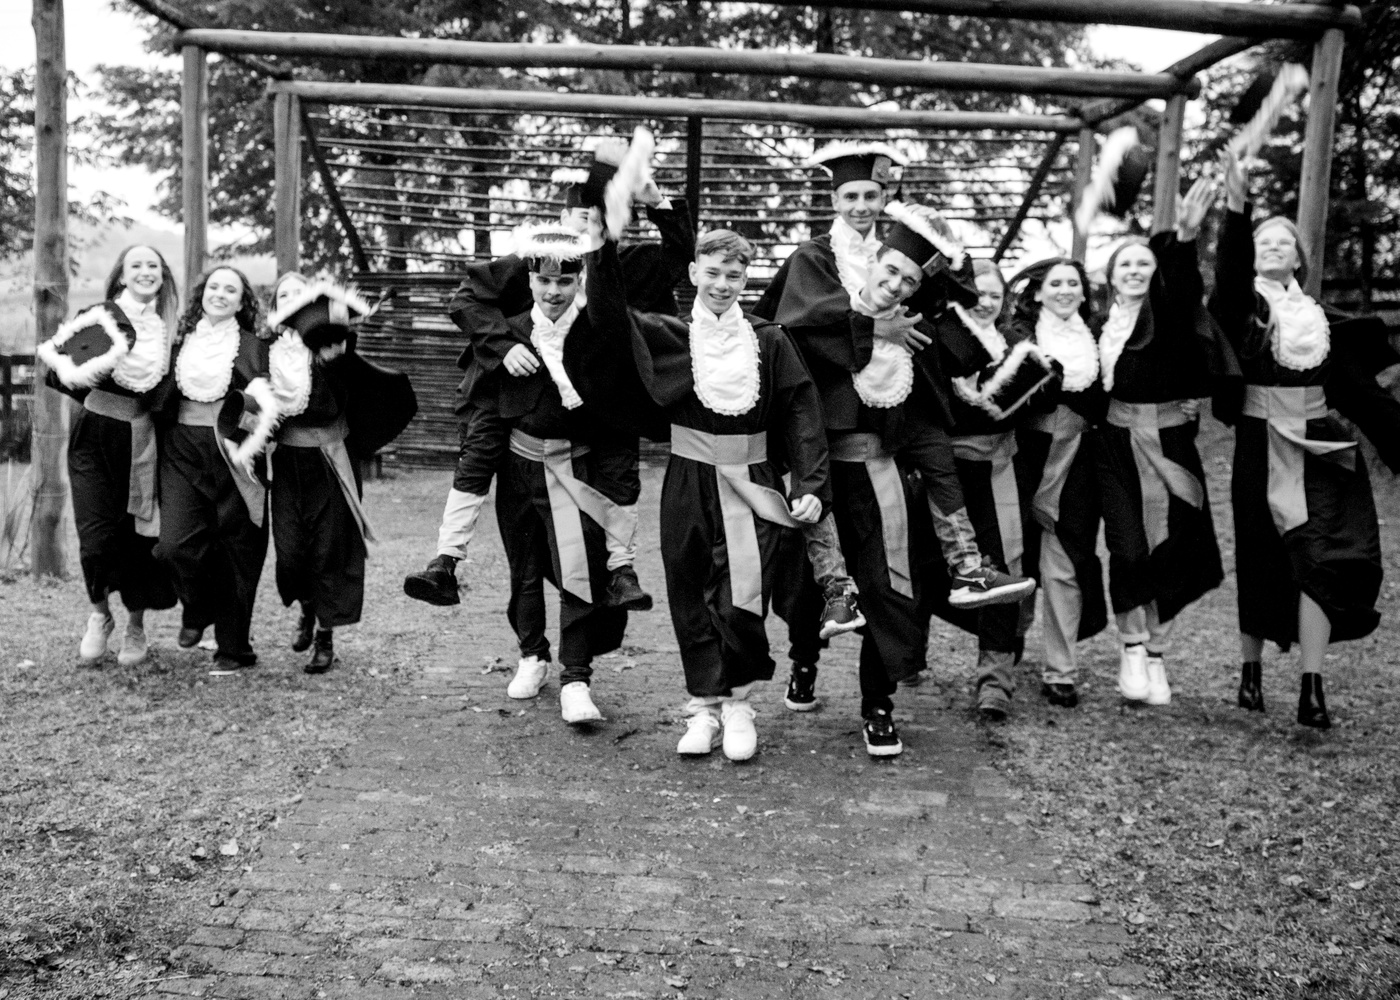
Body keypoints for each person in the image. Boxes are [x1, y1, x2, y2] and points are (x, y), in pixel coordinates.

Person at [403, 141, 693, 611]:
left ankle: (622, 569)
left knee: (620, 466)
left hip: (596, 400)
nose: (588, 226)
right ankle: (446, 561)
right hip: (521, 390)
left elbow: (681, 254)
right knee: (478, 455)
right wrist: (505, 347)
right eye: (581, 217)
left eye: (598, 219)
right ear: (563, 218)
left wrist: (655, 198)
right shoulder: (530, 261)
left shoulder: (627, 266)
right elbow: (466, 299)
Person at [598, 225, 831, 762]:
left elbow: (803, 413)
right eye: (713, 272)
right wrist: (600, 245)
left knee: (743, 593)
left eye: (734, 275)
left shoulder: (769, 341)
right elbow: (609, 314)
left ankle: (739, 705)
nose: (723, 284)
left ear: (746, 280)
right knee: (689, 587)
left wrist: (811, 483)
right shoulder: (671, 337)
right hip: (689, 477)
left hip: (753, 480)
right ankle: (703, 707)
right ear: (693, 273)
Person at [1210, 149, 1400, 729]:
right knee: (1260, 556)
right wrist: (1237, 206)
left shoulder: (1321, 323)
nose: (1273, 248)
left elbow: (1363, 397)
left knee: (1320, 558)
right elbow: (1228, 277)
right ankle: (1250, 672)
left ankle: (1312, 686)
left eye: (1283, 243)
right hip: (1258, 443)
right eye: (1262, 242)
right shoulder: (1239, 313)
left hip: (1319, 448)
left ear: (1300, 257)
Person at [489, 218, 637, 723]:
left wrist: (617, 488)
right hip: (517, 470)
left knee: (579, 570)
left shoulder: (596, 333)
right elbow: (485, 409)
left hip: (575, 470)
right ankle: (532, 655)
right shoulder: (508, 334)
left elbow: (617, 416)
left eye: (565, 281)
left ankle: (576, 676)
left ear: (580, 280)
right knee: (524, 570)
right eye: (544, 280)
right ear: (529, 278)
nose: (553, 291)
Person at [1092, 177, 1227, 708]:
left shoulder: (1165, 319)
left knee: (1171, 548)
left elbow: (1183, 292)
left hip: (1170, 446)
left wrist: (1185, 237)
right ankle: (1131, 645)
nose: (1134, 270)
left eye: (1144, 264)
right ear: (1110, 276)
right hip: (1114, 447)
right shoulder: (1097, 326)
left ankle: (1157, 654)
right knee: (1127, 547)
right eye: (1124, 264)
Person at [36, 245, 180, 665]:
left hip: (143, 439)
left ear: (163, 276)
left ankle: (135, 626)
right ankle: (100, 615)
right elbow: (57, 372)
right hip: (95, 435)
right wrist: (88, 376)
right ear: (121, 275)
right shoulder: (101, 317)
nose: (145, 271)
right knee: (95, 537)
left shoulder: (170, 329)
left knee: (139, 536)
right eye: (136, 265)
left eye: (153, 265)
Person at [942, 259, 1058, 712]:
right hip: (941, 470)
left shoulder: (1017, 346)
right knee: (922, 559)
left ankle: (995, 681)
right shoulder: (939, 339)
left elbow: (1040, 402)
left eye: (995, 294)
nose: (985, 302)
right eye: (977, 293)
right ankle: (908, 655)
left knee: (1005, 568)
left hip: (997, 468)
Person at [149, 266, 277, 674]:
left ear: (242, 302)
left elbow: (271, 401)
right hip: (181, 448)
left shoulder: (256, 348)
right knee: (174, 544)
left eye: (231, 290)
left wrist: (253, 432)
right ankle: (197, 607)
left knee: (238, 548)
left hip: (235, 450)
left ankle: (233, 648)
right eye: (214, 287)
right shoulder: (178, 342)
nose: (220, 294)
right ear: (201, 294)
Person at [1010, 259, 1110, 710]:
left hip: (1079, 463)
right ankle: (1008, 642)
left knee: (1064, 563)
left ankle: (1061, 670)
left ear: (1084, 293)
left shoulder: (1101, 337)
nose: (1066, 290)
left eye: (1074, 283)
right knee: (1016, 557)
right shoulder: (1018, 335)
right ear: (1038, 292)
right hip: (1023, 456)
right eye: (1056, 283)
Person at [265, 274, 375, 674]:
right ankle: (308, 608)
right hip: (289, 463)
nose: (293, 300)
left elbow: (359, 390)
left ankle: (325, 637)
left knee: (330, 549)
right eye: (284, 296)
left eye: (300, 294)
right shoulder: (267, 352)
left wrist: (337, 350)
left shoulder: (336, 346)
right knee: (291, 552)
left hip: (331, 460)